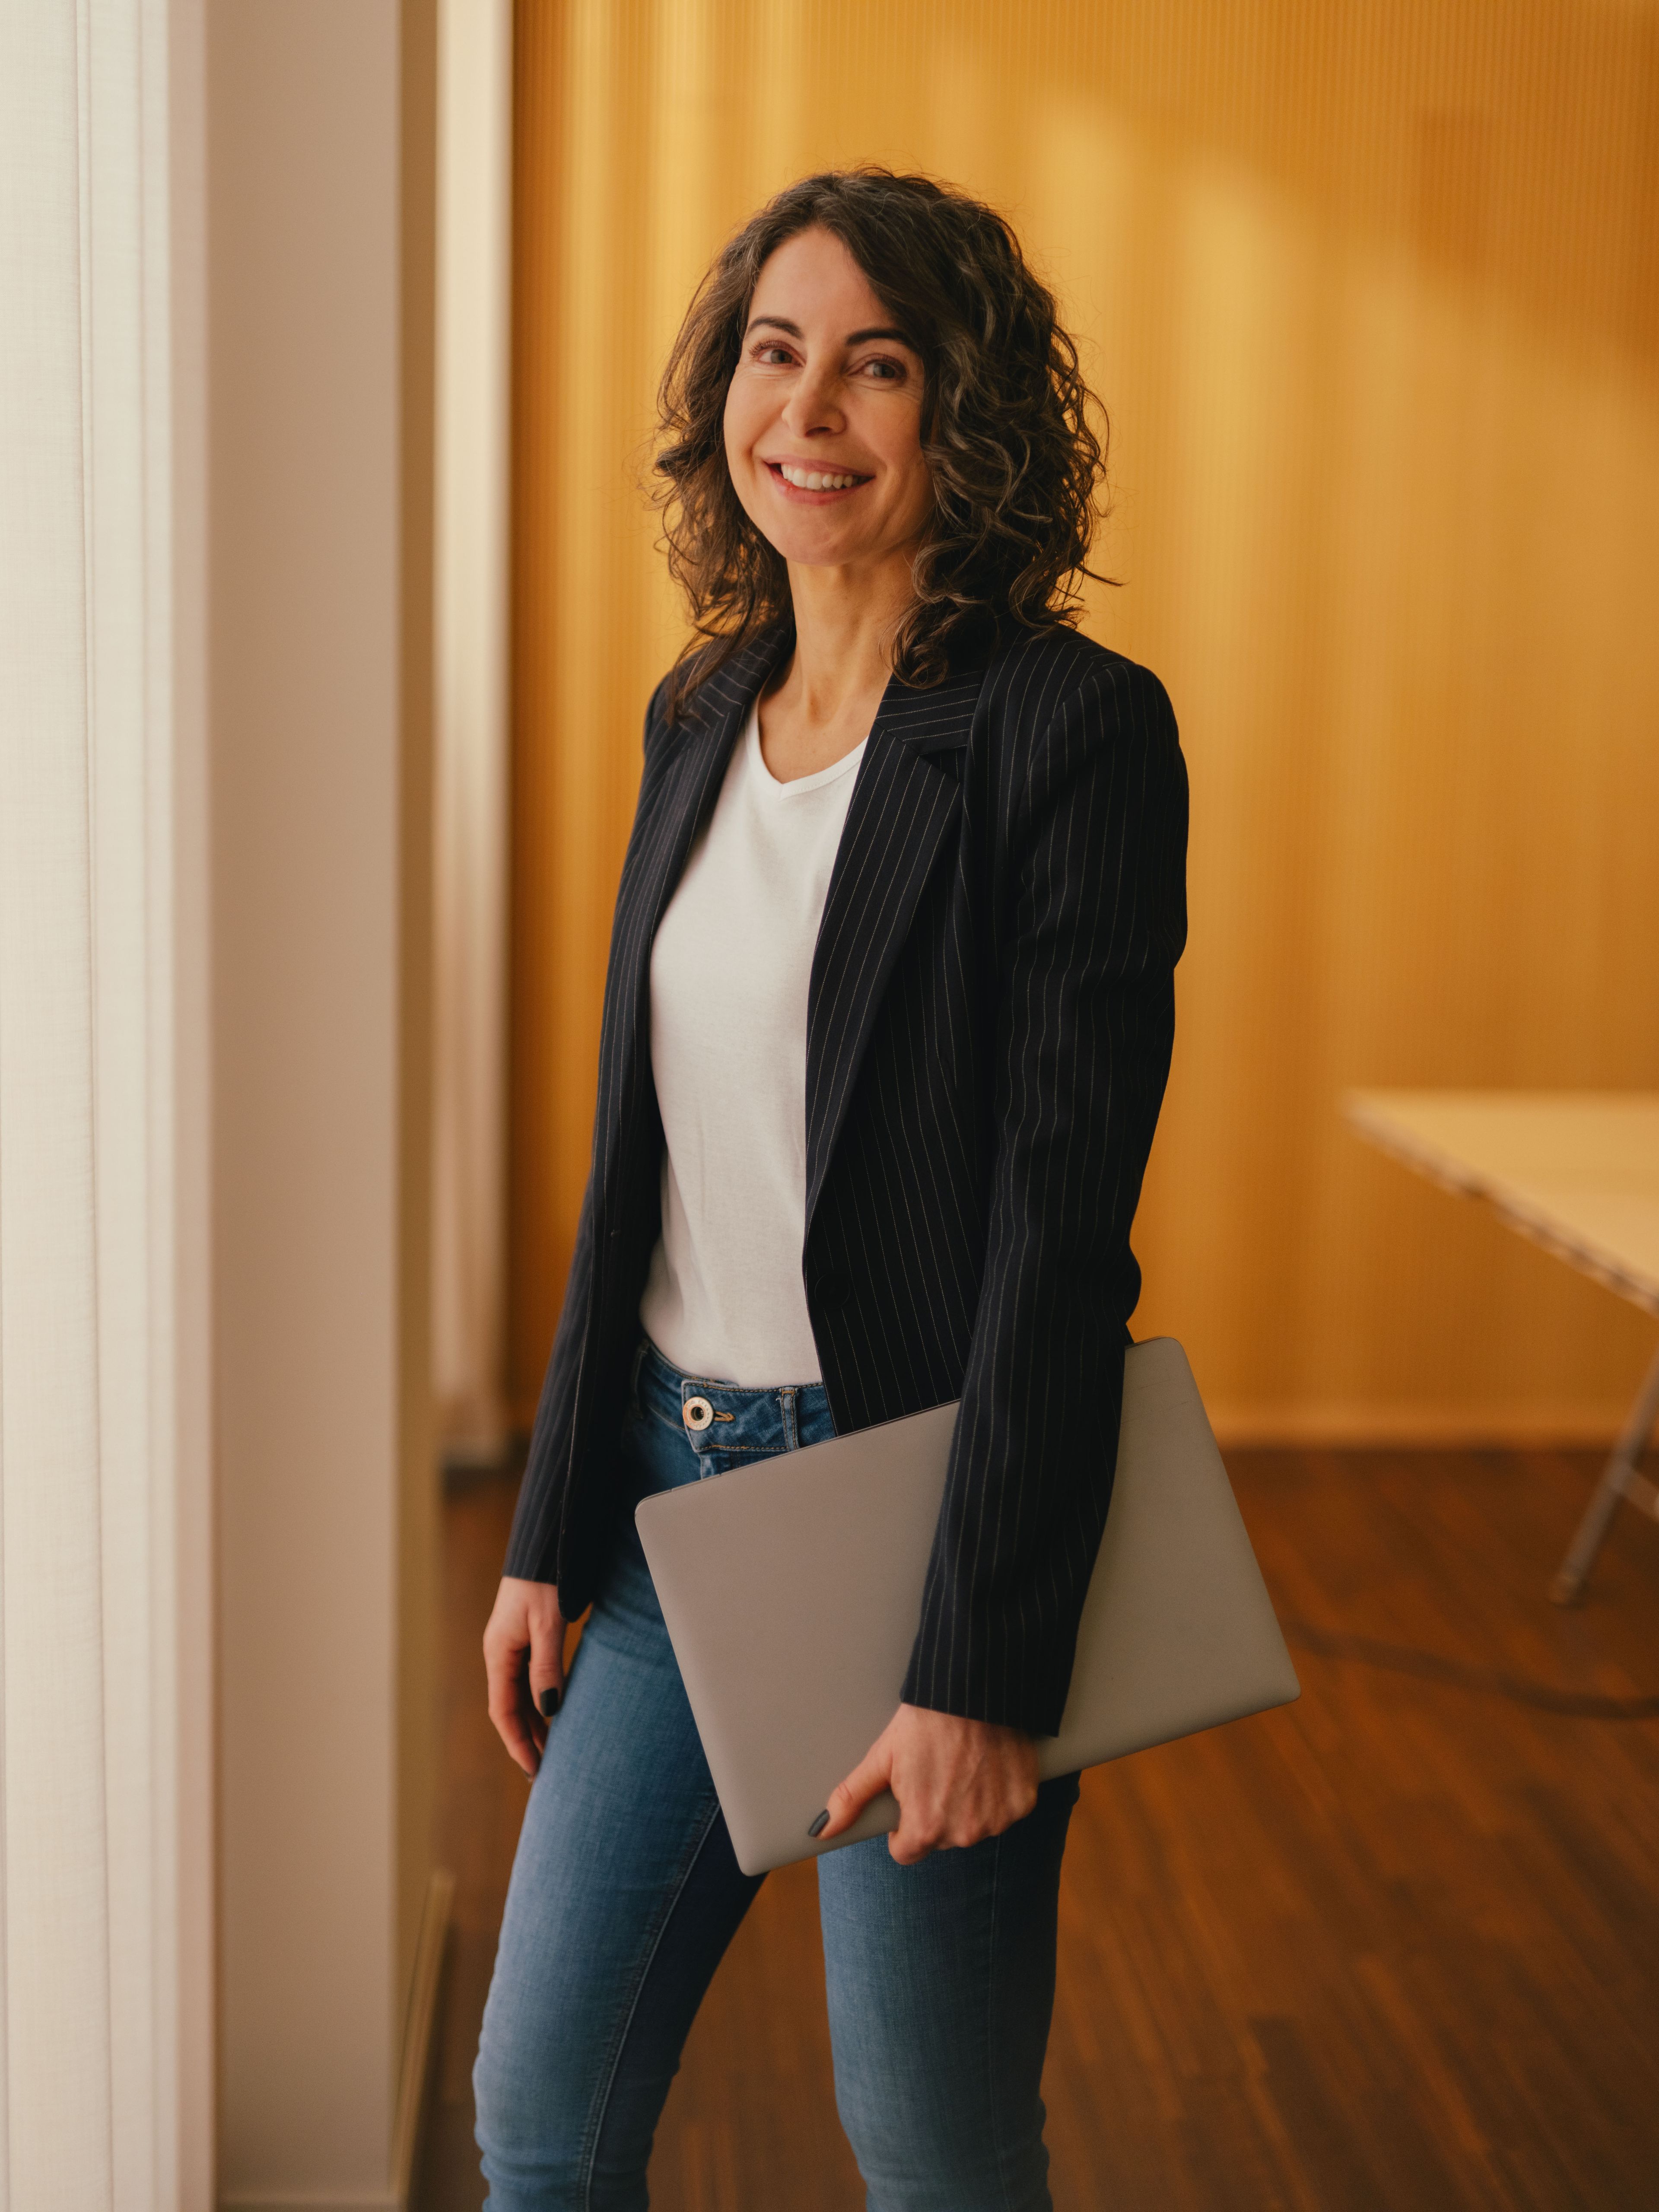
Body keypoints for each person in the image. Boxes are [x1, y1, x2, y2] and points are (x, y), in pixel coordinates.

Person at [473, 167, 1188, 2212]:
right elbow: (640, 1169)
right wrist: (546, 1526)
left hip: (910, 1512)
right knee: (539, 2117)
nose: (813, 407)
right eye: (776, 352)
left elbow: (1062, 1233)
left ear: (961, 414)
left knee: (937, 2154)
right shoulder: (699, 710)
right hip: (660, 1502)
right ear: (724, 394)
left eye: (879, 363)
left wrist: (981, 1659)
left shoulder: (1072, 731)